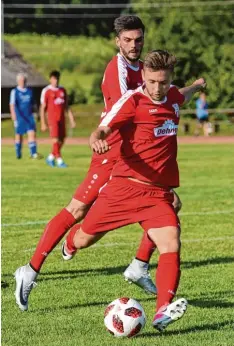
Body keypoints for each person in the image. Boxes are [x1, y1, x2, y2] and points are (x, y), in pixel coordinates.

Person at [14, 50, 206, 330]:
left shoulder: (173, 95)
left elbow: (181, 95)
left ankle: (162, 310)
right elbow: (102, 128)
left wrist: (197, 86)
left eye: (162, 83)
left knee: (171, 242)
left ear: (170, 80)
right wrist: (96, 139)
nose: (157, 88)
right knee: (82, 239)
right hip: (123, 189)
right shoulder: (134, 100)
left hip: (156, 195)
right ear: (145, 77)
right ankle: (69, 243)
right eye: (151, 81)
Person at [40, 70, 76, 168]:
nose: (55, 81)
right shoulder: (46, 91)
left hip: (62, 119)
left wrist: (72, 119)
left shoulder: (62, 90)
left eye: (57, 79)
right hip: (52, 119)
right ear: (50, 79)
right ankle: (59, 160)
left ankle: (51, 157)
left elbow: (67, 107)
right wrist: (43, 123)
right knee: (55, 139)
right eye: (54, 79)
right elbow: (42, 108)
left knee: (62, 139)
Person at [9, 73, 42, 160]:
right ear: (18, 81)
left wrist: (36, 114)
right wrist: (14, 118)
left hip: (29, 116)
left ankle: (33, 154)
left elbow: (34, 104)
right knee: (19, 136)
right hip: (20, 117)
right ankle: (18, 153)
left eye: (24, 80)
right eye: (20, 80)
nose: (22, 82)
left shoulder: (30, 91)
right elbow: (12, 105)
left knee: (32, 134)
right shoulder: (14, 92)